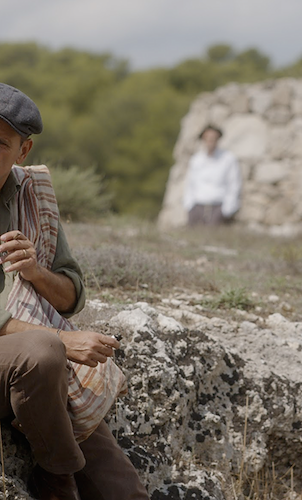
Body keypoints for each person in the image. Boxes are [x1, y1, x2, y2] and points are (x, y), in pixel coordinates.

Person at [0, 83, 149, 500]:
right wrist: (65, 340)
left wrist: (35, 272)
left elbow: (71, 295)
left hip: (35, 376)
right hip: (32, 360)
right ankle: (57, 477)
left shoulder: (29, 195)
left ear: (22, 152)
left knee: (122, 488)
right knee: (45, 352)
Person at [183, 124, 242, 225]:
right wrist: (189, 205)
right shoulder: (196, 160)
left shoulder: (228, 159)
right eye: (207, 138)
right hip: (197, 207)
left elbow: (234, 184)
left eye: (213, 138)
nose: (210, 141)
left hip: (218, 208)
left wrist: (227, 209)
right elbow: (190, 184)